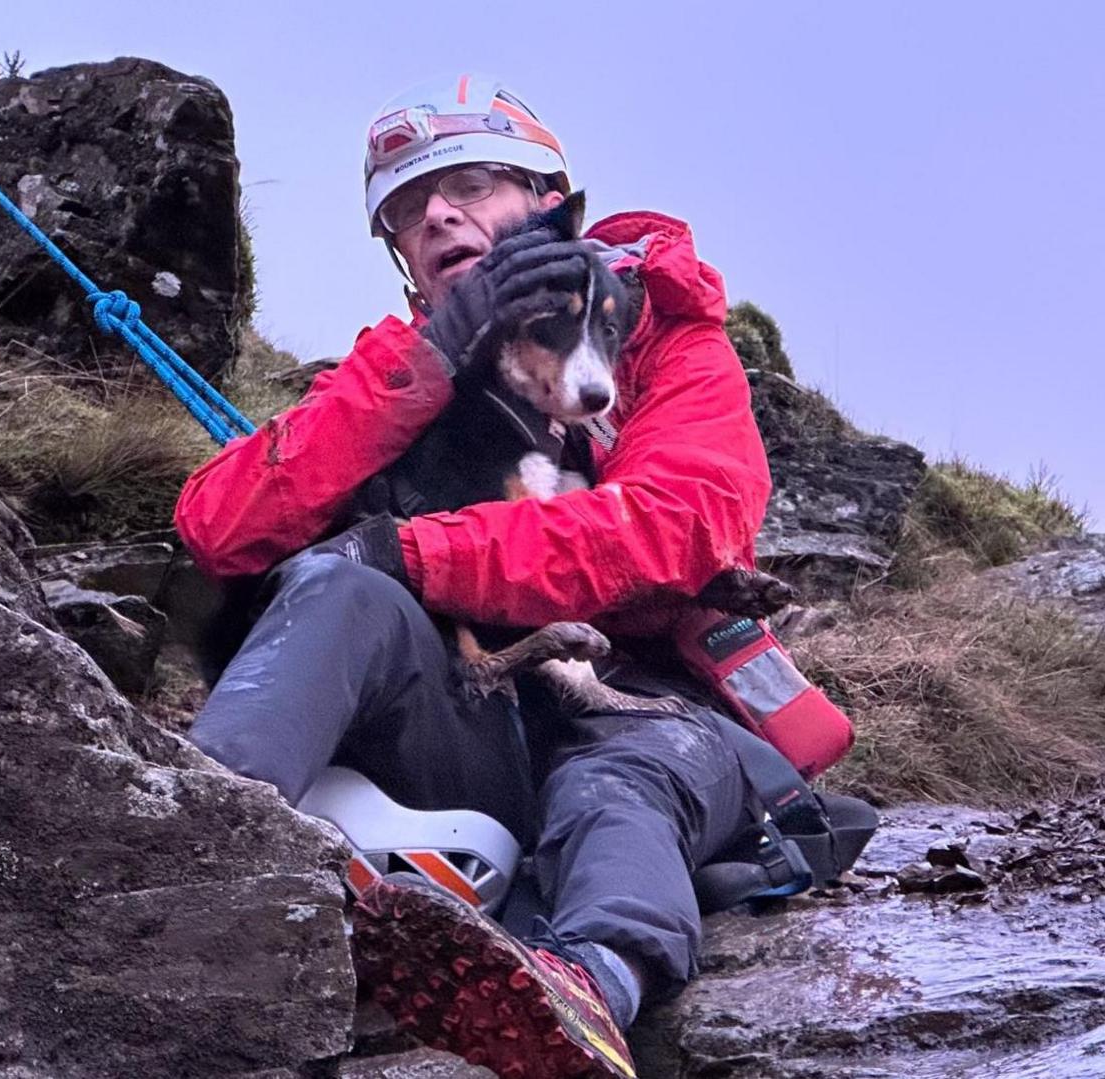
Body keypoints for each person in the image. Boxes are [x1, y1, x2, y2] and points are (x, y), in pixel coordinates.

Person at [174, 74, 776, 1079]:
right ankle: (181, 853)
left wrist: (415, 551)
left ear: (550, 203)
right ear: (404, 260)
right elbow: (217, 525)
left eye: (475, 184)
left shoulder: (667, 336)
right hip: (472, 716)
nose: (438, 214)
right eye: (407, 211)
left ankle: (581, 993)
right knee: (337, 591)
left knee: (620, 778)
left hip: (635, 704)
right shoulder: (397, 367)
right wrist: (427, 366)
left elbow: (677, 527)